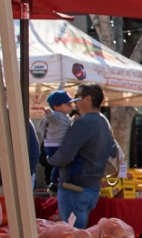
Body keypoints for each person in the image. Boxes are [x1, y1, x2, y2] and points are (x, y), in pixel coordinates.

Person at [49, 83, 117, 228]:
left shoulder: (84, 123)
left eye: (77, 97)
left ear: (87, 99)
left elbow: (64, 156)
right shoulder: (104, 121)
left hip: (74, 188)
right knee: (79, 236)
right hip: (92, 188)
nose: (74, 101)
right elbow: (113, 152)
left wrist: (50, 159)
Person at [37, 91, 75, 189]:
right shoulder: (57, 115)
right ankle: (55, 181)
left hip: (56, 145)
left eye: (71, 104)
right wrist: (48, 113)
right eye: (68, 104)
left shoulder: (65, 116)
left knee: (60, 165)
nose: (71, 106)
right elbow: (52, 118)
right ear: (57, 107)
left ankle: (55, 181)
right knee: (61, 163)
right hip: (55, 145)